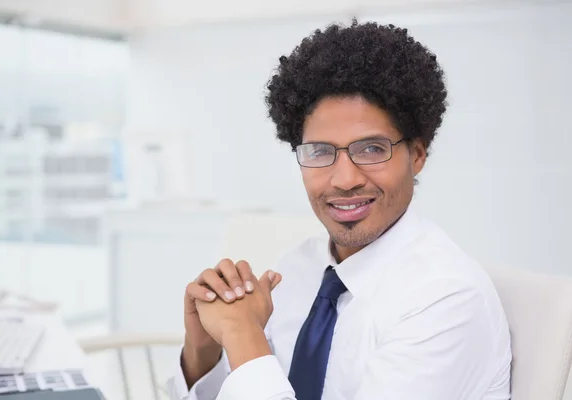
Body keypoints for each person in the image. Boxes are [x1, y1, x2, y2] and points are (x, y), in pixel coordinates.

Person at [168, 20, 512, 400]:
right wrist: (206, 350)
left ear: (416, 155)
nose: (344, 179)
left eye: (371, 149)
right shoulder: (299, 266)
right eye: (320, 152)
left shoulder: (446, 299)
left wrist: (243, 335)